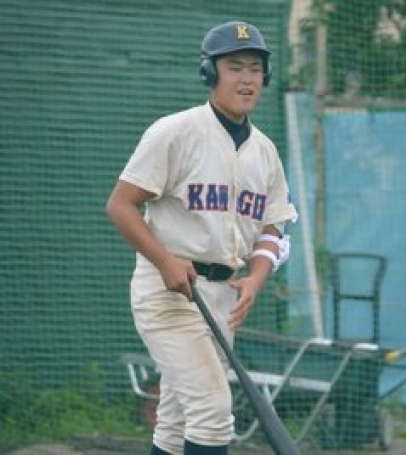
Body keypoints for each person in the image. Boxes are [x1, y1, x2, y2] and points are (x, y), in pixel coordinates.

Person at [106, 20, 298, 455]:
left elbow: (273, 227)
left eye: (255, 68)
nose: (247, 78)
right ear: (210, 72)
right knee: (213, 412)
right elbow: (120, 205)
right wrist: (163, 259)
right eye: (235, 67)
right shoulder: (175, 132)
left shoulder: (265, 151)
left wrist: (257, 277)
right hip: (170, 295)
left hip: (224, 302)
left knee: (176, 426)